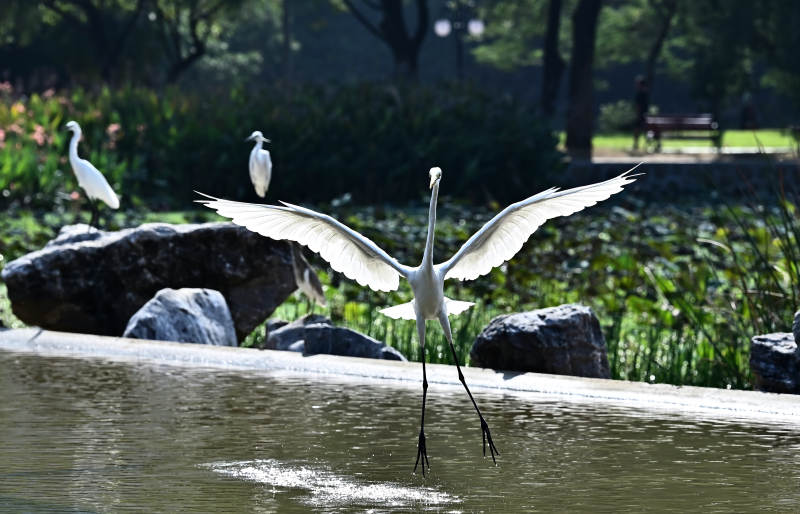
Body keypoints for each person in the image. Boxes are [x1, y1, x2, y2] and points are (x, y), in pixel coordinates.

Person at [632, 76, 650, 150]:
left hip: (641, 114)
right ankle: (646, 144)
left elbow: (638, 105)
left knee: (637, 129)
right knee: (644, 130)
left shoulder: (640, 93)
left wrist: (637, 113)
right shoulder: (646, 93)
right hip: (645, 114)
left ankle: (636, 144)